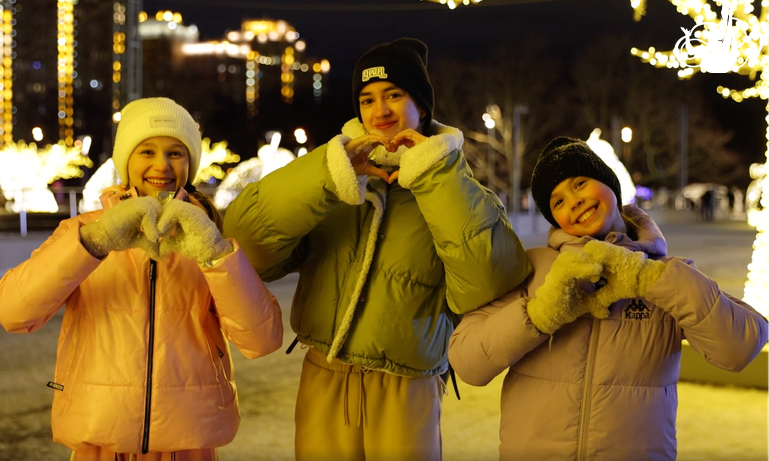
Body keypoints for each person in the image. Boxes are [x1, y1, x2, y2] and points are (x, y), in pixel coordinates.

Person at [222, 38, 530, 461]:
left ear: (422, 107)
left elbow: (487, 284)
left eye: (394, 95)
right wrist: (329, 176)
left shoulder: (459, 193)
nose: (379, 110)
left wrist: (436, 177)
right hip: (324, 376)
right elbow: (248, 242)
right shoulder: (334, 186)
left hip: (407, 387)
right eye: (367, 99)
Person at [0, 97, 284, 461]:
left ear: (190, 163)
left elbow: (262, 340)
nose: (161, 165)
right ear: (126, 160)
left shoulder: (211, 237)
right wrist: (94, 242)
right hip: (100, 437)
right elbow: (12, 312)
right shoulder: (81, 231)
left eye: (176, 153)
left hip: (188, 437)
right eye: (147, 151)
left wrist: (215, 253)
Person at [448, 136, 769, 461]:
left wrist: (648, 278)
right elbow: (467, 363)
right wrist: (539, 313)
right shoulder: (532, 268)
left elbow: (740, 347)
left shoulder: (668, 276)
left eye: (580, 183)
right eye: (557, 202)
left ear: (611, 186)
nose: (573, 201)